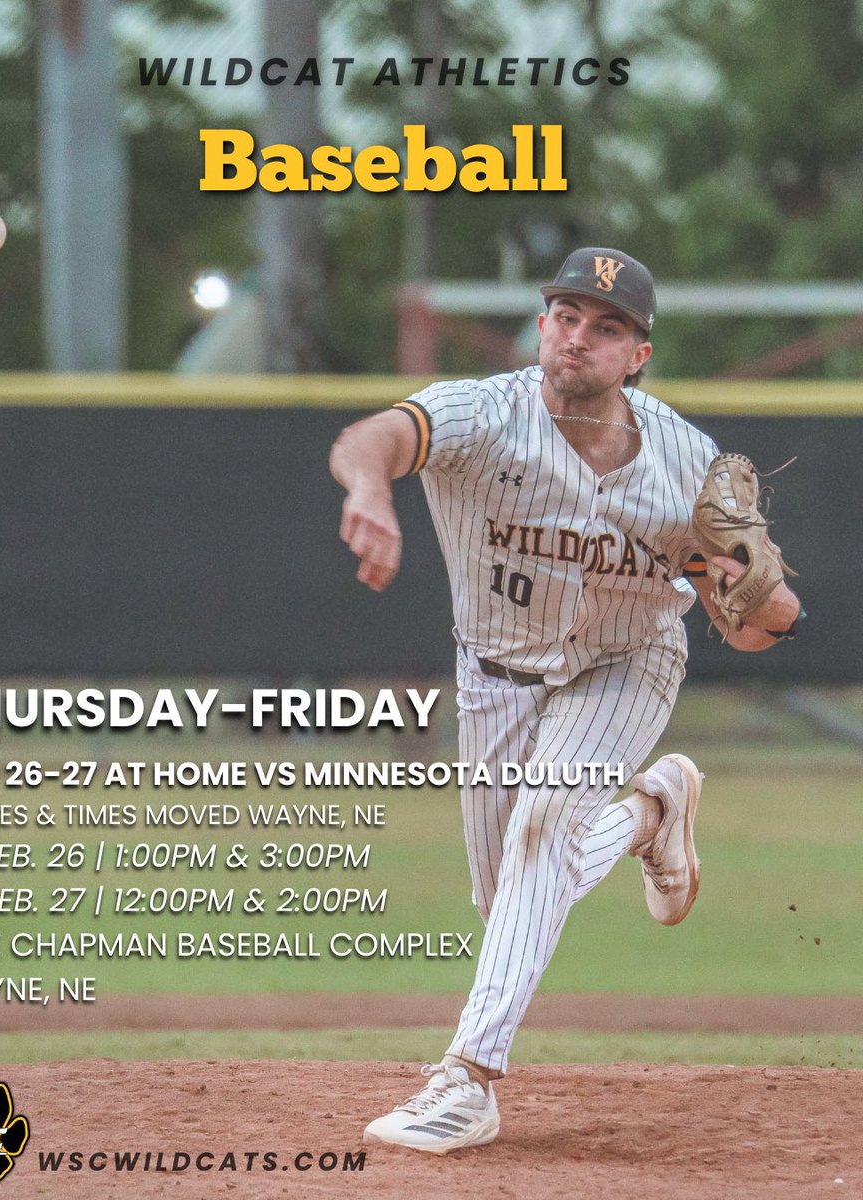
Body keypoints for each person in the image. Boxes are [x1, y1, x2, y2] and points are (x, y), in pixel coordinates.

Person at [329, 247, 802, 1154]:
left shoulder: (684, 464)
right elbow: (373, 439)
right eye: (568, 315)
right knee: (507, 896)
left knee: (545, 824)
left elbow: (753, 626)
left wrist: (760, 593)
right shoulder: (483, 413)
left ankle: (466, 1080)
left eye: (609, 325)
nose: (581, 335)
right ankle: (650, 813)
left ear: (638, 356)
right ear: (544, 326)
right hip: (493, 674)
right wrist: (367, 487)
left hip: (626, 662)